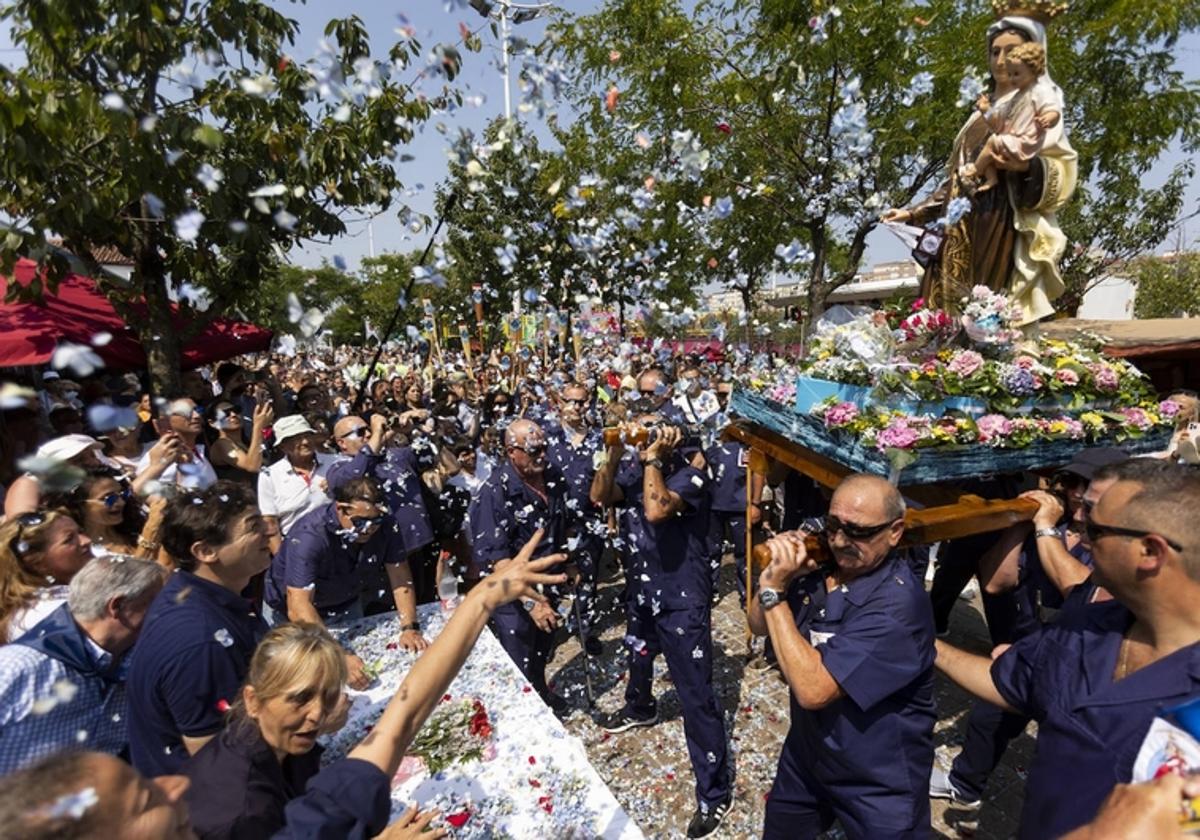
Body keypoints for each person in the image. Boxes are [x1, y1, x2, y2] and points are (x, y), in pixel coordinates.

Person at [0, 531, 566, 840]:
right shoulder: (236, 811)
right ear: (251, 697)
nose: (318, 717)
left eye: (327, 697)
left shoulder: (255, 753)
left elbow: (404, 711)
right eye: (144, 797)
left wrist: (482, 599)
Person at [934, 464, 1200, 839]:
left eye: (1095, 530)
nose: (1083, 538)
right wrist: (929, 648)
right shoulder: (1087, 624)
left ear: (1150, 551)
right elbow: (1014, 684)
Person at [751, 473, 935, 840]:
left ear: (895, 531)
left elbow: (812, 689)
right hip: (809, 756)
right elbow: (757, 625)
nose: (839, 540)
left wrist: (774, 593)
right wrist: (775, 579)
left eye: (858, 532)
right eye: (833, 525)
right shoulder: (822, 566)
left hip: (876, 778)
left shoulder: (897, 606)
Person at [882, 15, 1077, 324]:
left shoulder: (1033, 104)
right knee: (944, 306)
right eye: (995, 51)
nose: (1001, 60)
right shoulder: (979, 116)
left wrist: (1025, 167)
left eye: (1011, 50)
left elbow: (1059, 171)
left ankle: (981, 361)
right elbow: (958, 177)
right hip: (957, 219)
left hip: (996, 216)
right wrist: (912, 212)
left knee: (982, 301)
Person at [591, 418, 733, 839]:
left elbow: (656, 509)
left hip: (682, 599)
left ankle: (714, 792)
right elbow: (599, 494)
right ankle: (641, 707)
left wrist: (653, 457)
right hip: (643, 592)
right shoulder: (638, 473)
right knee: (638, 656)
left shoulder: (692, 477)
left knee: (696, 696)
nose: (645, 441)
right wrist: (615, 452)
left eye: (655, 435)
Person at [127, 481, 272, 776]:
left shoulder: (205, 595)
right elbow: (216, 759)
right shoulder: (200, 642)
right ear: (205, 551)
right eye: (253, 527)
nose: (268, 532)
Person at [184, 622, 351, 839]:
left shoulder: (273, 738)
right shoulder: (246, 811)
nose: (318, 714)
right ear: (253, 701)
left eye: (328, 695)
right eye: (301, 698)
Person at [0, 554, 165, 774]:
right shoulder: (16, 669)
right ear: (118, 606)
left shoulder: (139, 661)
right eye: (159, 603)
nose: (169, 612)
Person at [264, 477, 428, 689]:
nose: (368, 529)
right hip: (292, 614)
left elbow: (400, 576)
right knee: (304, 681)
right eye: (361, 522)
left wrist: (409, 626)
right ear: (341, 509)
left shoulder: (386, 523)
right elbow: (299, 606)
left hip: (346, 602)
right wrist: (337, 656)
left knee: (361, 675)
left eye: (375, 521)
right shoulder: (309, 536)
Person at [469, 418, 572, 713]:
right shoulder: (494, 492)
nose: (541, 456)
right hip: (513, 594)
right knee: (519, 656)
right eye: (532, 450)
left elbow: (563, 522)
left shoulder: (552, 475)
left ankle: (540, 695)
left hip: (548, 580)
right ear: (511, 451)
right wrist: (532, 603)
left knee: (543, 649)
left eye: (543, 448)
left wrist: (571, 563)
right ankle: (521, 713)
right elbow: (497, 558)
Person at [545, 382, 605, 655]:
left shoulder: (598, 438)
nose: (576, 407)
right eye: (570, 401)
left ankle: (584, 627)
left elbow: (605, 476)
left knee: (587, 578)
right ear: (559, 402)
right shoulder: (548, 436)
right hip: (553, 520)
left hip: (588, 520)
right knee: (551, 575)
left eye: (581, 402)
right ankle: (548, 629)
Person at [328, 412, 435, 561]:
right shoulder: (338, 469)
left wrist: (414, 428)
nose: (368, 434)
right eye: (360, 432)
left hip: (422, 544)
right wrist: (379, 433)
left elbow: (429, 456)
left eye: (369, 429)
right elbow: (355, 474)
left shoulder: (394, 456)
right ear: (342, 443)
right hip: (385, 556)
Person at [961, 43, 1061, 193]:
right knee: (987, 147)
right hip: (1009, 140)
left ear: (1033, 71)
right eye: (1010, 74)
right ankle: (991, 178)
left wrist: (1049, 118)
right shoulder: (1015, 98)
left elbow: (1053, 109)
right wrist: (986, 109)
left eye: (1017, 74)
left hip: (1024, 141)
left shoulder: (1039, 91)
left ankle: (974, 170)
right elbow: (998, 123)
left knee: (994, 142)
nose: (1012, 78)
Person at [0, 510, 93, 642]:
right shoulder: (48, 614)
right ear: (36, 562)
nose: (86, 541)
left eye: (80, 532)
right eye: (69, 539)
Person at [257, 414, 337, 554]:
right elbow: (270, 523)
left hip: (337, 543)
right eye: (296, 439)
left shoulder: (336, 464)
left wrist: (339, 483)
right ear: (283, 446)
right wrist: (283, 561)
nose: (305, 442)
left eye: (307, 435)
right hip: (297, 548)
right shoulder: (269, 476)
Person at [68, 469, 166, 562]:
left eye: (123, 494)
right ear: (81, 505)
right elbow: (132, 577)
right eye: (109, 498)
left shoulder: (134, 531)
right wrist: (149, 536)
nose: (121, 502)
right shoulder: (86, 552)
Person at [134, 397, 218, 493]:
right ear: (166, 421)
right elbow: (151, 498)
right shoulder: (163, 458)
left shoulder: (197, 451)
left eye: (197, 410)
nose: (196, 416)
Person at [206, 398, 272, 486]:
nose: (233, 415)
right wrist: (259, 427)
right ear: (212, 423)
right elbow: (252, 466)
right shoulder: (221, 444)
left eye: (236, 410)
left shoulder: (246, 441)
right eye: (225, 414)